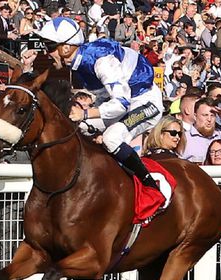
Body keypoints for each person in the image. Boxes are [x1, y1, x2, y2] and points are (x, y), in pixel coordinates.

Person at [35, 17, 163, 191]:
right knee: (77, 127)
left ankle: (150, 187)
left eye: (49, 46)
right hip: (127, 101)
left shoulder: (101, 61)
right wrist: (84, 119)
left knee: (111, 138)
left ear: (65, 47)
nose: (46, 52)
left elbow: (120, 104)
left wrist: (85, 114)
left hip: (146, 101)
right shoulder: (78, 65)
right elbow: (105, 99)